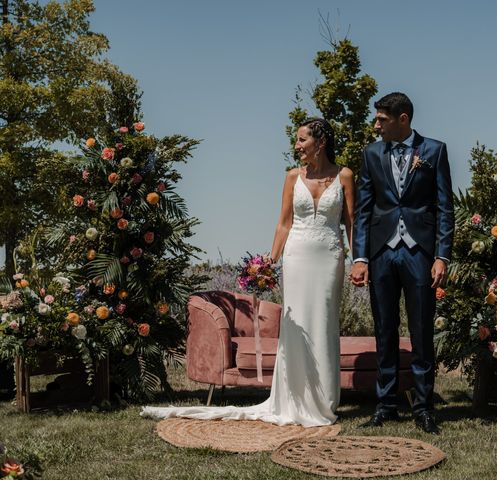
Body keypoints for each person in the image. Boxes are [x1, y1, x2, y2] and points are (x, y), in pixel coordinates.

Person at [142, 118, 355, 427]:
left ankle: (323, 401)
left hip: (329, 255)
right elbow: (284, 224)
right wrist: (268, 263)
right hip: (296, 256)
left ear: (320, 142)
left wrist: (359, 259)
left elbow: (352, 223)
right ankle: (294, 397)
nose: (296, 146)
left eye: (302, 140)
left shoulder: (345, 175)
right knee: (296, 327)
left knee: (323, 323)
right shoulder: (292, 177)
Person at [350, 92, 454, 434]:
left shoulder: (434, 151)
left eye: (382, 119)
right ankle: (386, 405)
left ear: (403, 119)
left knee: (421, 331)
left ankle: (424, 408)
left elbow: (444, 208)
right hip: (381, 253)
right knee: (385, 330)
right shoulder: (371, 153)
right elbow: (363, 209)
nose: (376, 124)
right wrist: (361, 257)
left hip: (419, 254)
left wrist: (441, 255)